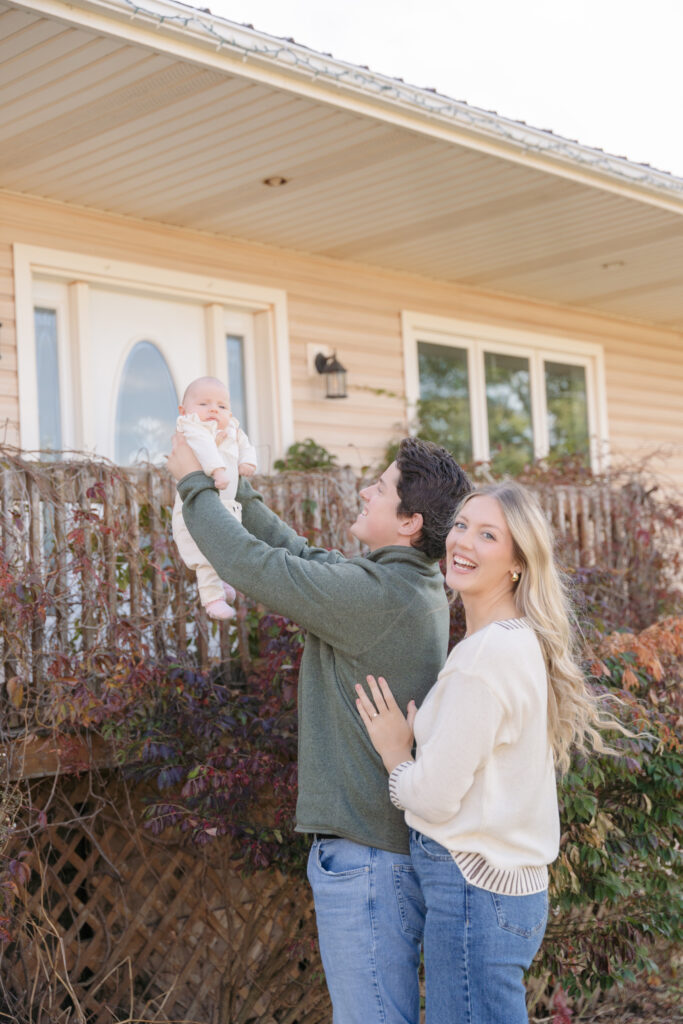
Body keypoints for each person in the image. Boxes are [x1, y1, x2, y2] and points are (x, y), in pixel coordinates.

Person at [167, 434, 471, 1024]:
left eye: (379, 488)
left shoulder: (379, 598)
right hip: (376, 856)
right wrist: (235, 487)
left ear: (409, 522)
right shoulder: (403, 583)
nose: (364, 490)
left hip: (367, 866)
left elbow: (254, 566)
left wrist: (194, 485)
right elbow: (306, 558)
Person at [356, 480, 619, 1024]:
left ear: (518, 563)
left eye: (487, 534)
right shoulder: (514, 640)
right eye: (459, 526)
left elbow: (433, 799)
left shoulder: (488, 656)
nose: (463, 542)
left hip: (474, 891)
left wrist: (394, 754)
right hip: (504, 893)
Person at [171, 376, 257, 620]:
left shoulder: (232, 429)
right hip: (195, 504)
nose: (213, 410)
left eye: (222, 406)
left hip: (227, 504)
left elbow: (245, 444)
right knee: (205, 552)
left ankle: (223, 582)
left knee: (229, 545)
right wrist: (218, 470)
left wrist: (248, 460)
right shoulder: (191, 428)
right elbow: (205, 448)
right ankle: (212, 598)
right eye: (204, 404)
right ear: (184, 411)